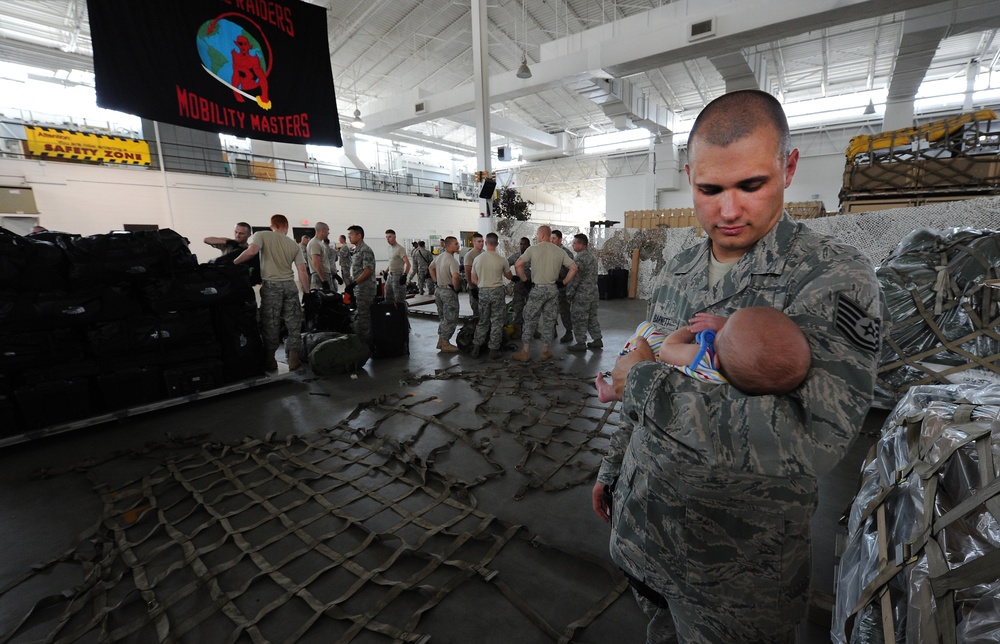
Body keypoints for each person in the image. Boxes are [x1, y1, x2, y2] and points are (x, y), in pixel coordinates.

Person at [590, 89, 882, 643]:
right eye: (709, 189)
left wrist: (644, 382)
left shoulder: (831, 279)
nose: (728, 210)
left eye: (752, 185)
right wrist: (614, 469)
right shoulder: (678, 270)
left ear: (788, 166)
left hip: (737, 570)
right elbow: (642, 358)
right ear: (688, 175)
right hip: (645, 532)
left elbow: (812, 436)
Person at [594, 308, 811, 403]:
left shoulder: (704, 358)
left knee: (646, 332)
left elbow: (669, 349)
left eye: (724, 330)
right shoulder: (741, 376)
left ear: (716, 359)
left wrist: (691, 330)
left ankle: (614, 390)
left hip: (658, 367)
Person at [233, 214, 309, 371]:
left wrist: (232, 262)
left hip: (271, 285)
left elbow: (251, 252)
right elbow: (302, 271)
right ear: (286, 226)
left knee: (271, 322)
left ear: (271, 225)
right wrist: (307, 293)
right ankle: (294, 358)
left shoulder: (261, 235)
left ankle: (271, 359)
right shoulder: (293, 245)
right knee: (294, 323)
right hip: (289, 285)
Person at [512, 225, 577, 362]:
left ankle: (525, 352)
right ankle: (545, 351)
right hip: (553, 289)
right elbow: (574, 268)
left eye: (537, 234)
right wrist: (563, 282)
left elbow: (518, 265)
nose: (536, 237)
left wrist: (525, 280)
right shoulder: (559, 251)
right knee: (549, 320)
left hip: (537, 289)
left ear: (541, 235)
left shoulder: (533, 249)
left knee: (530, 319)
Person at [469, 232, 513, 359]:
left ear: (486, 243)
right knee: (497, 321)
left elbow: (473, 279)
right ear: (497, 244)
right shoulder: (502, 260)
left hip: (483, 292)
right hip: (497, 292)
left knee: (483, 320)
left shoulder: (477, 259)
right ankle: (493, 350)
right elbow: (509, 276)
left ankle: (476, 347)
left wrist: (483, 283)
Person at [566, 233, 603, 353]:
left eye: (575, 243)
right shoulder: (591, 256)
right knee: (592, 317)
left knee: (579, 318)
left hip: (582, 294)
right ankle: (597, 339)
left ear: (582, 245)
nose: (573, 245)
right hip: (593, 293)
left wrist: (569, 294)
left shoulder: (580, 258)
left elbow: (575, 279)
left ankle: (580, 342)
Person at [428, 236, 461, 353]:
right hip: (448, 291)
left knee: (443, 318)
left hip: (439, 291)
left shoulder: (439, 257)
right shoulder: (452, 261)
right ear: (448, 246)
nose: (458, 246)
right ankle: (445, 343)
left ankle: (441, 340)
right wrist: (456, 288)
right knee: (451, 318)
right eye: (456, 244)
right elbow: (456, 276)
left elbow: (430, 268)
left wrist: (436, 281)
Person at [345, 225, 376, 344]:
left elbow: (368, 270)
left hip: (365, 289)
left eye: (351, 235)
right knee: (361, 315)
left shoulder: (365, 250)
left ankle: (368, 344)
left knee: (364, 317)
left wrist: (354, 283)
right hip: (359, 288)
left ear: (359, 235)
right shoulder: (356, 250)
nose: (349, 237)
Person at [550, 230, 575, 343]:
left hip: (563, 287)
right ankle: (552, 330)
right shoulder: (549, 252)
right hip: (551, 286)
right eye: (550, 238)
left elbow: (570, 270)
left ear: (560, 239)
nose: (551, 241)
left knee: (564, 311)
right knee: (550, 310)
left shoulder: (567, 253)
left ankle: (569, 331)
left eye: (554, 238)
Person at [506, 237, 531, 339]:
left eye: (525, 244)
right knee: (518, 308)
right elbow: (505, 265)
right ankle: (517, 330)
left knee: (532, 309)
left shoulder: (533, 256)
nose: (522, 246)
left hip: (531, 286)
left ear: (529, 245)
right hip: (520, 287)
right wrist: (512, 277)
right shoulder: (516, 256)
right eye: (521, 244)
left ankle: (532, 330)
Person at [307, 222, 337, 292]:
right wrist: (324, 281)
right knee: (325, 300)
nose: (328, 233)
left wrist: (334, 274)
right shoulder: (314, 243)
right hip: (320, 277)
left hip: (324, 275)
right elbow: (316, 263)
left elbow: (323, 263)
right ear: (323, 231)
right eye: (328, 230)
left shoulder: (319, 243)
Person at [384, 229, 411, 304]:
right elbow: (391, 262)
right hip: (390, 275)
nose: (388, 239)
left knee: (399, 299)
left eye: (389, 237)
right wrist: (386, 272)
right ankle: (391, 314)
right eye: (386, 237)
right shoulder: (389, 248)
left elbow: (408, 264)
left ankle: (402, 315)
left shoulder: (400, 249)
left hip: (398, 276)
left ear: (395, 237)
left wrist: (404, 275)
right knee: (388, 298)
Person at [464, 232, 484, 317]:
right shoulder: (469, 255)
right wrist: (472, 287)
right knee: (476, 309)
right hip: (474, 285)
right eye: (479, 241)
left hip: (483, 285)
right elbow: (468, 272)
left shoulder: (484, 253)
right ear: (474, 242)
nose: (481, 243)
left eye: (482, 241)